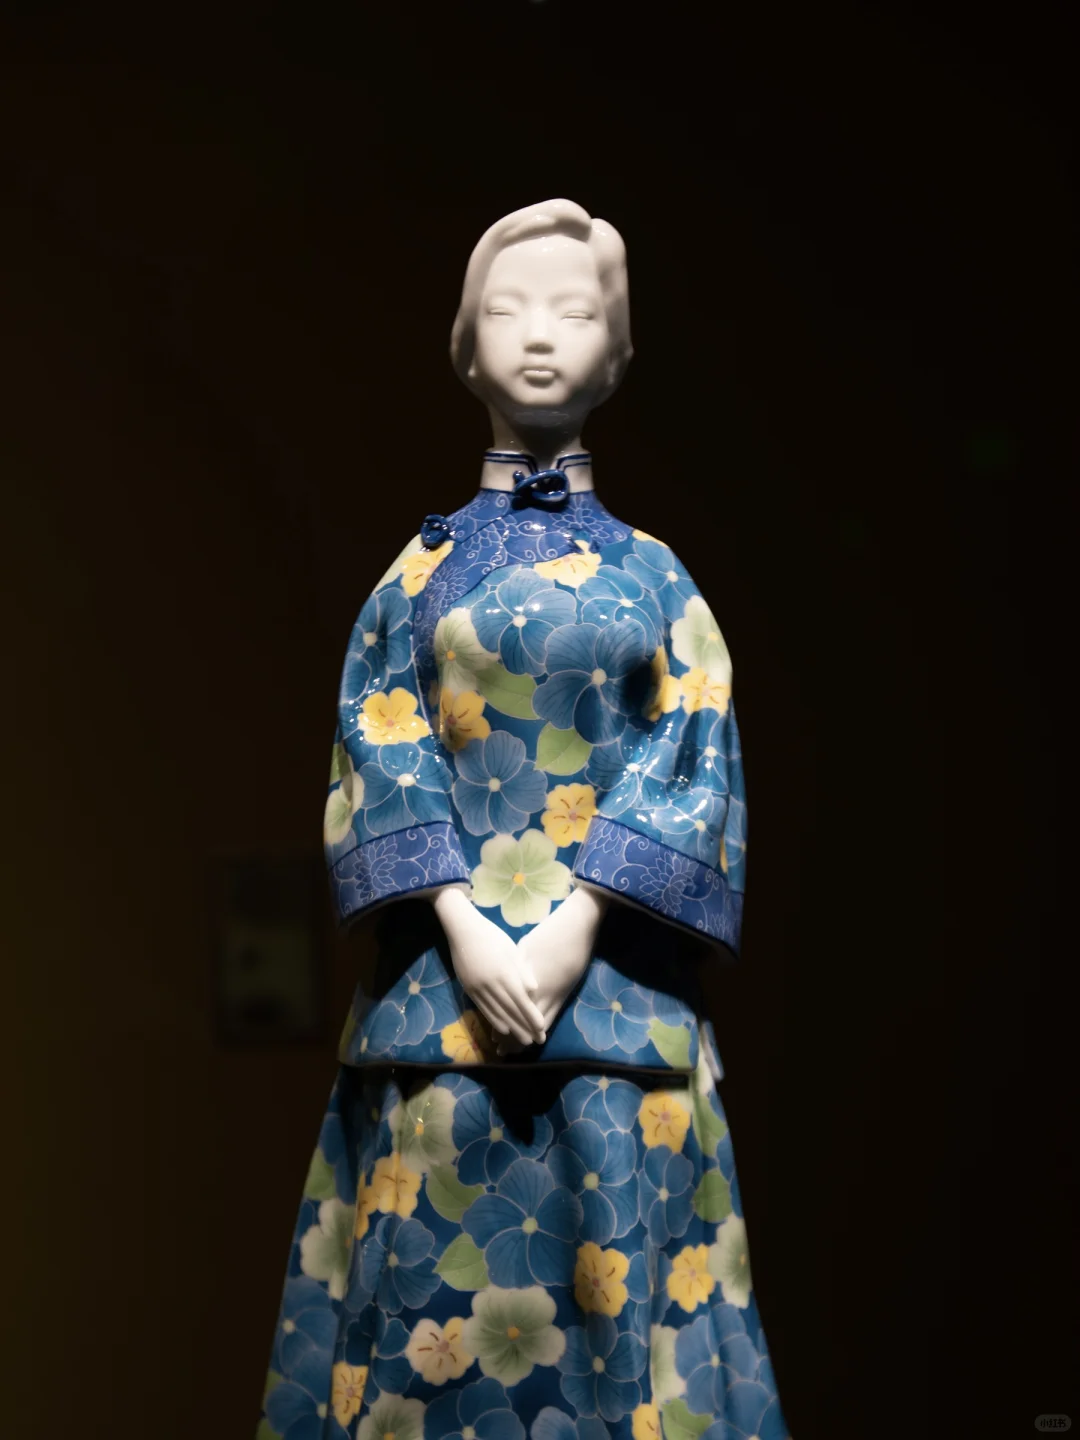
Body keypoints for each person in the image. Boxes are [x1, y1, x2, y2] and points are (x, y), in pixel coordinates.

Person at [258, 199, 789, 1440]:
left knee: (626, 1319)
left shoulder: (656, 577)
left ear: (618, 353)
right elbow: (378, 736)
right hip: (440, 1013)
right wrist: (462, 923)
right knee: (424, 1327)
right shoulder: (414, 577)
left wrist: (572, 927)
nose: (540, 334)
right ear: (464, 347)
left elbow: (691, 745)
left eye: (575, 311)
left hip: (614, 1019)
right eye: (507, 310)